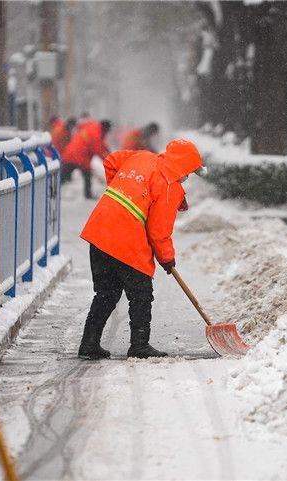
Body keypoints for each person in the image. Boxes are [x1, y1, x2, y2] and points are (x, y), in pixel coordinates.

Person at [78, 139, 207, 359]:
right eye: (190, 172)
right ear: (184, 166)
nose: (187, 177)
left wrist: (122, 191)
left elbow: (110, 161)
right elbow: (159, 232)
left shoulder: (141, 157)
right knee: (141, 293)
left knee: (106, 293)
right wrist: (167, 259)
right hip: (125, 240)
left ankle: (89, 344)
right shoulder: (169, 187)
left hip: (99, 230)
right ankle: (139, 346)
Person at [61, 118, 112, 198]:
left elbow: (101, 145)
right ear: (105, 128)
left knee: (64, 174)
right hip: (80, 154)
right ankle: (88, 194)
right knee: (86, 174)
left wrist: (109, 153)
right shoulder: (96, 133)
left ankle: (53, 190)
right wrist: (110, 161)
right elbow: (98, 148)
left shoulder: (95, 129)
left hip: (73, 152)